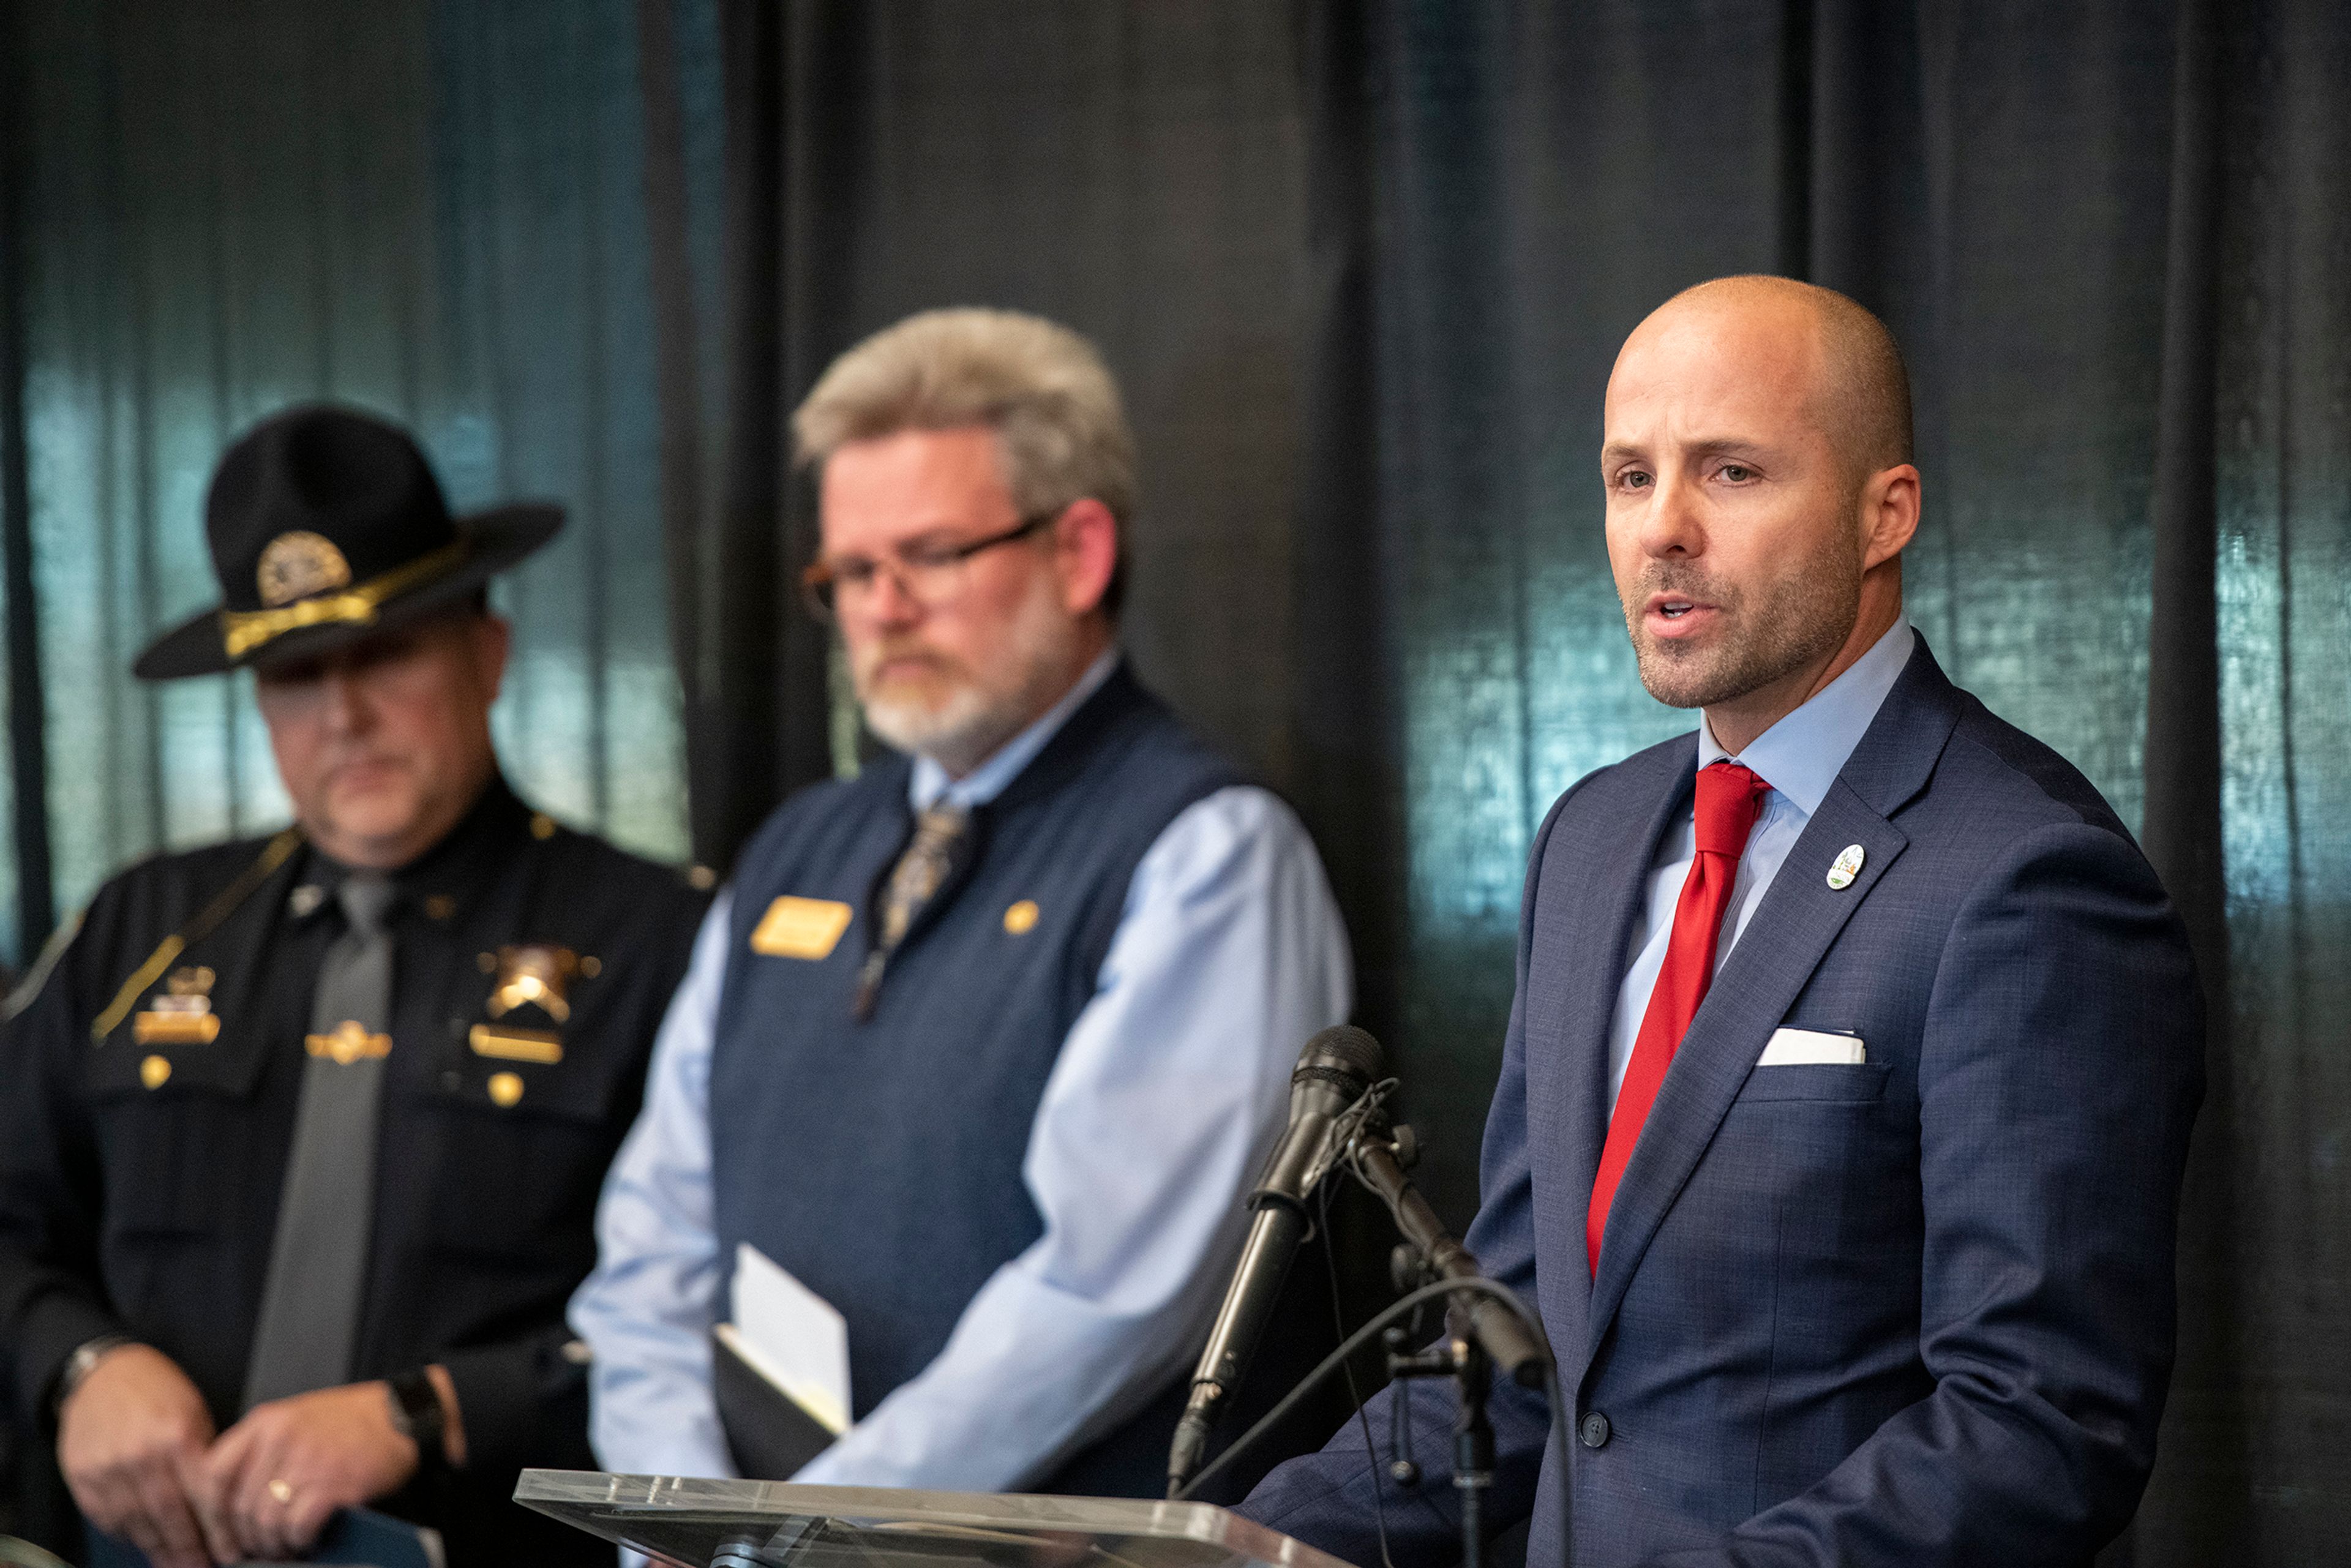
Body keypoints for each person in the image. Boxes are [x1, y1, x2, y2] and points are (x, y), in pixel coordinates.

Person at [1239, 277, 2205, 1565]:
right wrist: (1223, 1543)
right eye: (1630, 477)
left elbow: (2038, 1426)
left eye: (1732, 473)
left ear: (1886, 514)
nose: (1664, 531)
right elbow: (1524, 1350)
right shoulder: (1587, 844)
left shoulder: (2025, 877)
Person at [571, 307, 1352, 1496]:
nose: (881, 611)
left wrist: (808, 1534)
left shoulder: (1206, 851)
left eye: (930, 556)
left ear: (1079, 553)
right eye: (848, 573)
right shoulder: (794, 849)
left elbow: (1106, 1294)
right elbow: (652, 1249)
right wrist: (673, 1509)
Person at [0, 407, 708, 1568]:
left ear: (487, 654)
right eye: (293, 673)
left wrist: (429, 1411)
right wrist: (76, 1358)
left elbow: (713, 1316)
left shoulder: (659, 940)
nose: (345, 715)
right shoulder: (139, 931)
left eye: (386, 652)